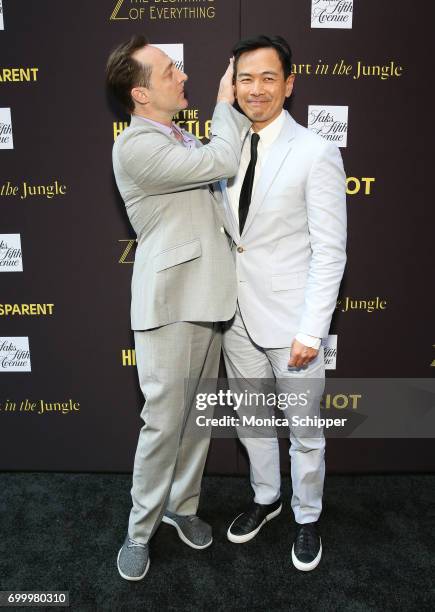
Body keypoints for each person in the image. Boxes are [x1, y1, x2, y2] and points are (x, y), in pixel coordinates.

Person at [106, 34, 250, 581]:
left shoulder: (177, 137)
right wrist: (224, 101)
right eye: (169, 70)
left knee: (197, 422)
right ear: (140, 94)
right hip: (171, 303)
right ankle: (139, 530)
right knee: (165, 423)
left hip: (211, 295)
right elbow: (224, 158)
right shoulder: (136, 145)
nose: (181, 75)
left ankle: (181, 507)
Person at [220, 35, 347, 571]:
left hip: (293, 322)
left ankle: (307, 516)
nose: (257, 89)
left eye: (269, 78)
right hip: (233, 318)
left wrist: (312, 330)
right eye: (245, 78)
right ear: (233, 84)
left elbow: (330, 249)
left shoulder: (316, 152)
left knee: (304, 432)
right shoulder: (221, 149)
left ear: (289, 84)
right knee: (251, 421)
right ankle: (266, 498)